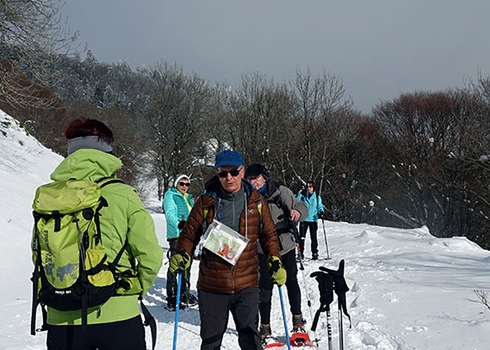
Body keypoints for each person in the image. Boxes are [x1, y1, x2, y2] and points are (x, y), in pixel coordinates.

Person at [39, 118, 163, 350]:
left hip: (62, 314)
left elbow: (41, 251)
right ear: (107, 151)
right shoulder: (122, 194)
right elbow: (150, 254)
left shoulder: (51, 196)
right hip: (118, 313)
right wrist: (135, 289)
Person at [169, 150, 286, 350]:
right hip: (213, 285)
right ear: (217, 174)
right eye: (223, 173)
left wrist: (274, 259)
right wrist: (183, 253)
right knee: (211, 342)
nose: (228, 178)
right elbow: (189, 235)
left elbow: (268, 235)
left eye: (233, 172)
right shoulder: (205, 202)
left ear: (242, 171)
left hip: (247, 283)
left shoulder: (257, 202)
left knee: (251, 339)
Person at [245, 163, 309, 344]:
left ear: (264, 177)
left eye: (256, 177)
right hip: (262, 248)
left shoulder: (280, 191)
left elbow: (301, 206)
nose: (253, 181)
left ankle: (298, 321)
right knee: (265, 287)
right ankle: (265, 328)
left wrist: (298, 212)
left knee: (290, 281)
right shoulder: (248, 197)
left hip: (285, 244)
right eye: (249, 178)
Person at [162, 173, 197, 310]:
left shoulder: (189, 199)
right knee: (175, 265)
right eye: (182, 183)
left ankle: (184, 294)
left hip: (189, 235)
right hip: (177, 235)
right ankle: (171, 297)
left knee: (187, 265)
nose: (184, 186)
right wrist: (178, 224)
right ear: (176, 184)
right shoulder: (170, 195)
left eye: (187, 184)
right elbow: (169, 213)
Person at [296, 180, 324, 260]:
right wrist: (300, 194)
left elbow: (319, 206)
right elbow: (296, 202)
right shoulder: (303, 196)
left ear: (313, 188)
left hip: (313, 219)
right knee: (302, 237)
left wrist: (321, 211)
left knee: (313, 237)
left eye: (310, 187)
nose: (308, 188)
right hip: (304, 219)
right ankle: (300, 253)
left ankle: (314, 252)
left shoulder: (317, 197)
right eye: (307, 186)